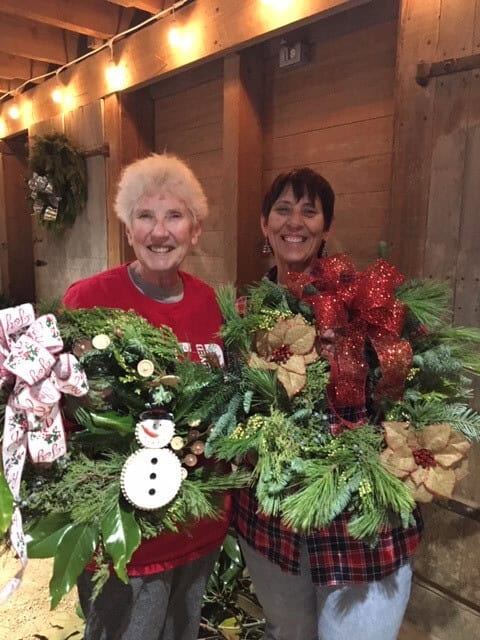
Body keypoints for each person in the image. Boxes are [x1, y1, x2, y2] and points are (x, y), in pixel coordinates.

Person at [233, 167, 423, 640]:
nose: (294, 221)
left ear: (326, 227)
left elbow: (413, 376)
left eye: (309, 211)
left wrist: (359, 354)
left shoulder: (361, 300)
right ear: (264, 224)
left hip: (361, 526)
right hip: (273, 527)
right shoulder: (242, 312)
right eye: (283, 209)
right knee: (289, 632)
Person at [63, 153, 229, 640]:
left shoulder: (213, 305)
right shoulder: (89, 299)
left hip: (200, 528)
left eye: (174, 216)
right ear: (128, 229)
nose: (160, 231)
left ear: (195, 230)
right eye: (145, 216)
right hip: (125, 540)